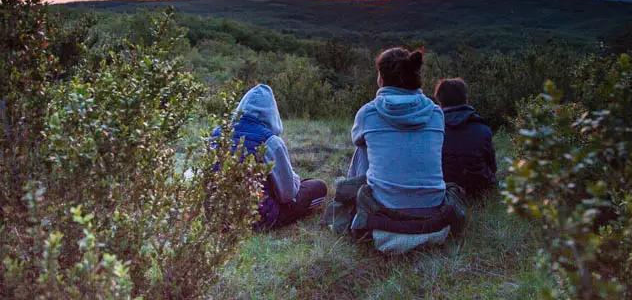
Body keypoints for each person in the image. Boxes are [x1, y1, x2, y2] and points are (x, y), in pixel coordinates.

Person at [324, 48, 466, 254]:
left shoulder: (368, 113)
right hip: (435, 223)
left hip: (383, 222)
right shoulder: (436, 113)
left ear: (381, 78)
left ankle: (353, 212)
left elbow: (357, 140)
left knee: (363, 147)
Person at [213, 84, 327, 230]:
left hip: (218, 213)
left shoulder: (217, 134)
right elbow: (287, 195)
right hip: (257, 219)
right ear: (272, 113)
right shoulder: (270, 141)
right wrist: (295, 180)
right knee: (318, 187)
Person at [434, 78, 497, 197]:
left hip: (444, 193)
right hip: (480, 191)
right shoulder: (482, 128)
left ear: (440, 103)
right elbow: (492, 166)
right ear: (466, 100)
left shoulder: (433, 130)